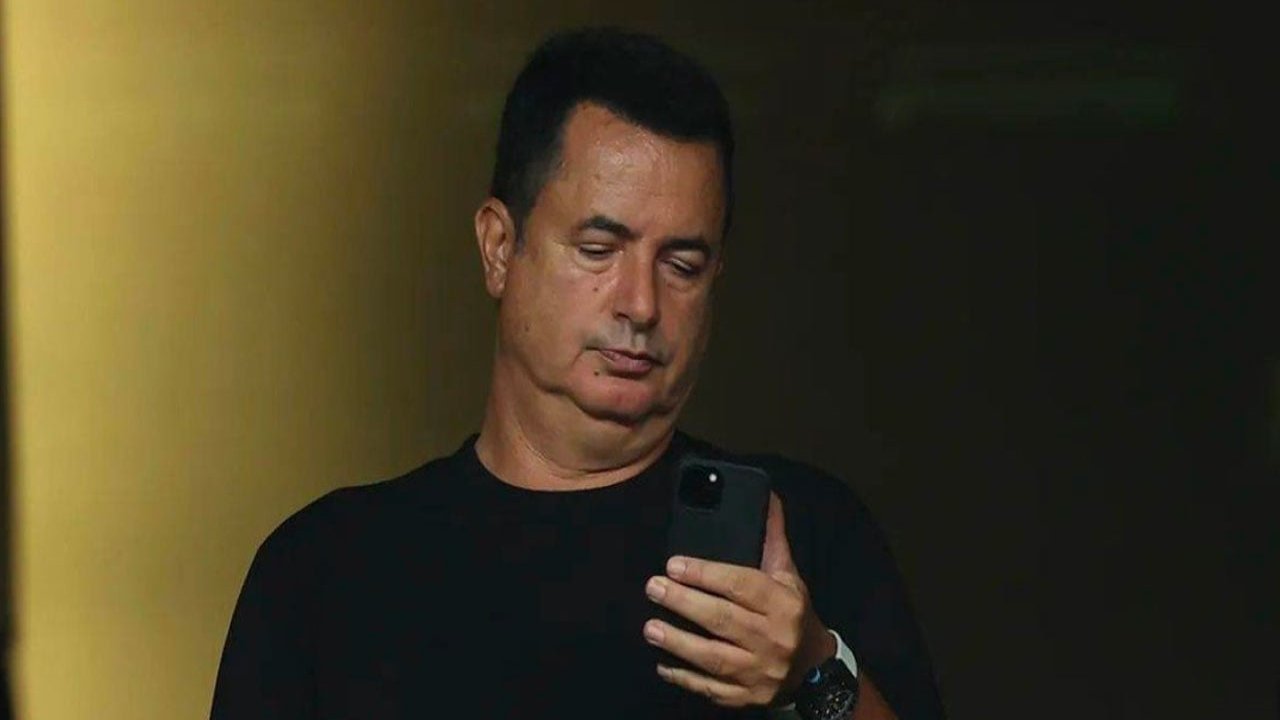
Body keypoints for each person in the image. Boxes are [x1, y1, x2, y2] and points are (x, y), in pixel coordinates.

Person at [210, 27, 945, 720]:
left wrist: (814, 670)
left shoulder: (801, 538)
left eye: (682, 264)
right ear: (500, 248)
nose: (641, 303)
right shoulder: (326, 570)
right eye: (599, 250)